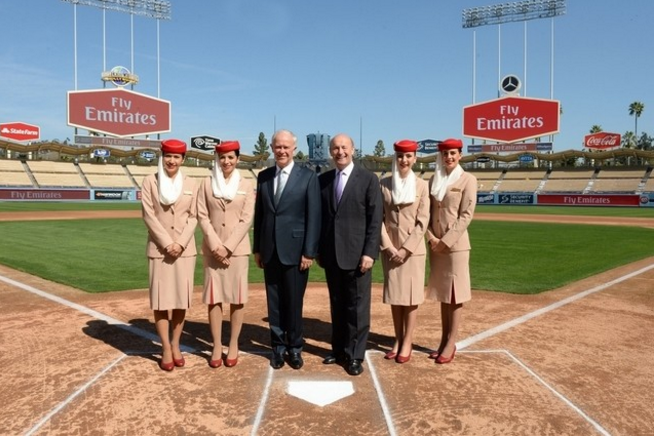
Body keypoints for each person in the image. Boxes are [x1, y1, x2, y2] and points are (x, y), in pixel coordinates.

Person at [253, 129, 321, 370]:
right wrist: (257, 249)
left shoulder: (308, 176)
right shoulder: (263, 176)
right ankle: (278, 348)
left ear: (294, 149)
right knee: (274, 303)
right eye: (277, 147)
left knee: (293, 302)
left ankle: (295, 348)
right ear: (272, 148)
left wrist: (309, 251)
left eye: (286, 147)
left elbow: (314, 216)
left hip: (296, 250)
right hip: (270, 249)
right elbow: (259, 215)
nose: (281, 151)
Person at [318, 133, 383, 376]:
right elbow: (321, 219)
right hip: (332, 254)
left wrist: (369, 252)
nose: (340, 152)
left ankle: (355, 355)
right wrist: (318, 251)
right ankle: (338, 349)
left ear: (353, 150)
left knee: (357, 307)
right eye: (335, 148)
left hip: (358, 256)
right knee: (337, 304)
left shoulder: (368, 179)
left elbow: (375, 220)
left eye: (344, 147)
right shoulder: (323, 180)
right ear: (331, 152)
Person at [141, 139, 198, 371]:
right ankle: (165, 346)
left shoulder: (192, 183)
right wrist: (167, 243)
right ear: (162, 157)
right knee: (161, 301)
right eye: (168, 156)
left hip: (185, 251)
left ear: (183, 159)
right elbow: (148, 215)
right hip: (159, 250)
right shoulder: (150, 181)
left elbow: (195, 216)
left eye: (176, 157)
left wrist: (180, 243)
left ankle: (176, 344)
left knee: (180, 300)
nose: (172, 161)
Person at [197, 140, 254, 368]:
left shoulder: (246, 184)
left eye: (231, 157)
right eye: (222, 157)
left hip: (237, 251)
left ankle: (233, 343)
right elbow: (202, 215)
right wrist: (216, 245)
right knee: (214, 299)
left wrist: (227, 247)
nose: (226, 161)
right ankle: (217, 345)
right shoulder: (206, 183)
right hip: (212, 250)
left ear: (237, 159)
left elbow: (246, 218)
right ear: (217, 159)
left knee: (237, 299)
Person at [426, 138, 477, 364]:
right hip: (435, 245)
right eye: (445, 153)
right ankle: (443, 339)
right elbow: (425, 213)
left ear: (460, 155)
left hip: (455, 247)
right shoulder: (433, 180)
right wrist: (431, 238)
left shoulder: (468, 180)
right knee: (444, 295)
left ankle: (450, 342)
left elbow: (466, 215)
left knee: (455, 296)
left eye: (453, 153)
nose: (449, 157)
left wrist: (445, 241)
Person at [379, 139, 430, 364]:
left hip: (413, 251)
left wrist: (405, 249)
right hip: (390, 249)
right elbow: (378, 219)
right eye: (400, 156)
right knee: (396, 297)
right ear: (395, 158)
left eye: (408, 156)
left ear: (415, 159)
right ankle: (397, 339)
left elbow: (423, 222)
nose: (404, 160)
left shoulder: (422, 186)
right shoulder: (384, 184)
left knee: (410, 298)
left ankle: (407, 340)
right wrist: (389, 247)